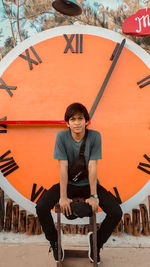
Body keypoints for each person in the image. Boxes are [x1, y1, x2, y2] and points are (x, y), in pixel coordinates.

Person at [36, 103, 122, 264]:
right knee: (41, 207)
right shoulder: (61, 137)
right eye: (73, 119)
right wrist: (62, 196)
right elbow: (62, 166)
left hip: (89, 184)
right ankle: (55, 242)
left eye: (80, 118)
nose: (77, 122)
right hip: (68, 184)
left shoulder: (95, 136)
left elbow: (92, 165)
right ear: (67, 123)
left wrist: (94, 195)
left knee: (116, 212)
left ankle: (96, 243)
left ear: (86, 121)